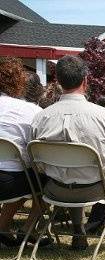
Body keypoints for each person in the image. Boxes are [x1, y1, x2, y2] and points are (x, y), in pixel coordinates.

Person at [31, 55, 105, 251]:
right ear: (85, 81)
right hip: (97, 188)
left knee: (72, 174)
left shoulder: (41, 117)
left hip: (54, 189)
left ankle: (78, 233)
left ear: (57, 81)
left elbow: (35, 162)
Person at [0, 57, 51, 248]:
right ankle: (27, 230)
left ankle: (3, 229)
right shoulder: (31, 111)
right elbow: (38, 153)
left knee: (23, 173)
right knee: (48, 178)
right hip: (10, 182)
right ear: (20, 83)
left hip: (11, 178)